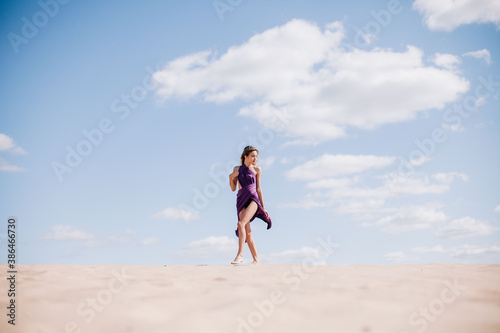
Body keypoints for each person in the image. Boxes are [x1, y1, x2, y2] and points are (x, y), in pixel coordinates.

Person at [229, 146, 272, 265]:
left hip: (253, 199)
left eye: (256, 156)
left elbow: (259, 188)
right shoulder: (237, 169)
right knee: (247, 232)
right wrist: (231, 177)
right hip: (241, 199)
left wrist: (263, 206)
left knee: (240, 223)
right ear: (245, 156)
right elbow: (233, 188)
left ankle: (240, 255)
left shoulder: (257, 169)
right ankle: (256, 260)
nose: (255, 158)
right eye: (253, 156)